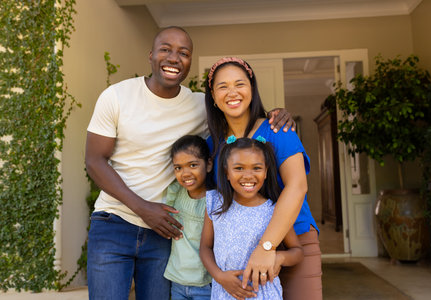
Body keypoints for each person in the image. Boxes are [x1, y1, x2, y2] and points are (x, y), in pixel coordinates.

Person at [85, 26, 294, 299]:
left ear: (189, 63)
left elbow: (238, 116)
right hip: (114, 222)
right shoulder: (116, 96)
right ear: (151, 56)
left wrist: (276, 115)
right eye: (165, 50)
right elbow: (94, 161)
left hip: (166, 232)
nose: (174, 58)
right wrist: (143, 208)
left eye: (183, 53)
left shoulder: (200, 106)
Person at [205, 57, 322, 299]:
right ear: (213, 97)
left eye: (240, 84)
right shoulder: (212, 145)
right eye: (222, 86)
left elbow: (297, 186)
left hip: (293, 240)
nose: (232, 92)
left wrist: (266, 247)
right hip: (240, 252)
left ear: (252, 89)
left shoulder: (278, 128)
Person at [200, 137, 304, 300]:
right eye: (239, 168)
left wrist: (279, 258)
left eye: (256, 168)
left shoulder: (274, 211)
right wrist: (219, 276)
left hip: (265, 295)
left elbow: (297, 252)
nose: (248, 176)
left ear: (266, 172)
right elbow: (205, 247)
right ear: (227, 172)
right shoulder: (215, 203)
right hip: (225, 293)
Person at [163, 135, 214, 300]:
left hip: (206, 284)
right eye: (178, 168)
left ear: (209, 164)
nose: (185, 173)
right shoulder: (176, 192)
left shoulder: (216, 200)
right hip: (177, 281)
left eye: (193, 165)